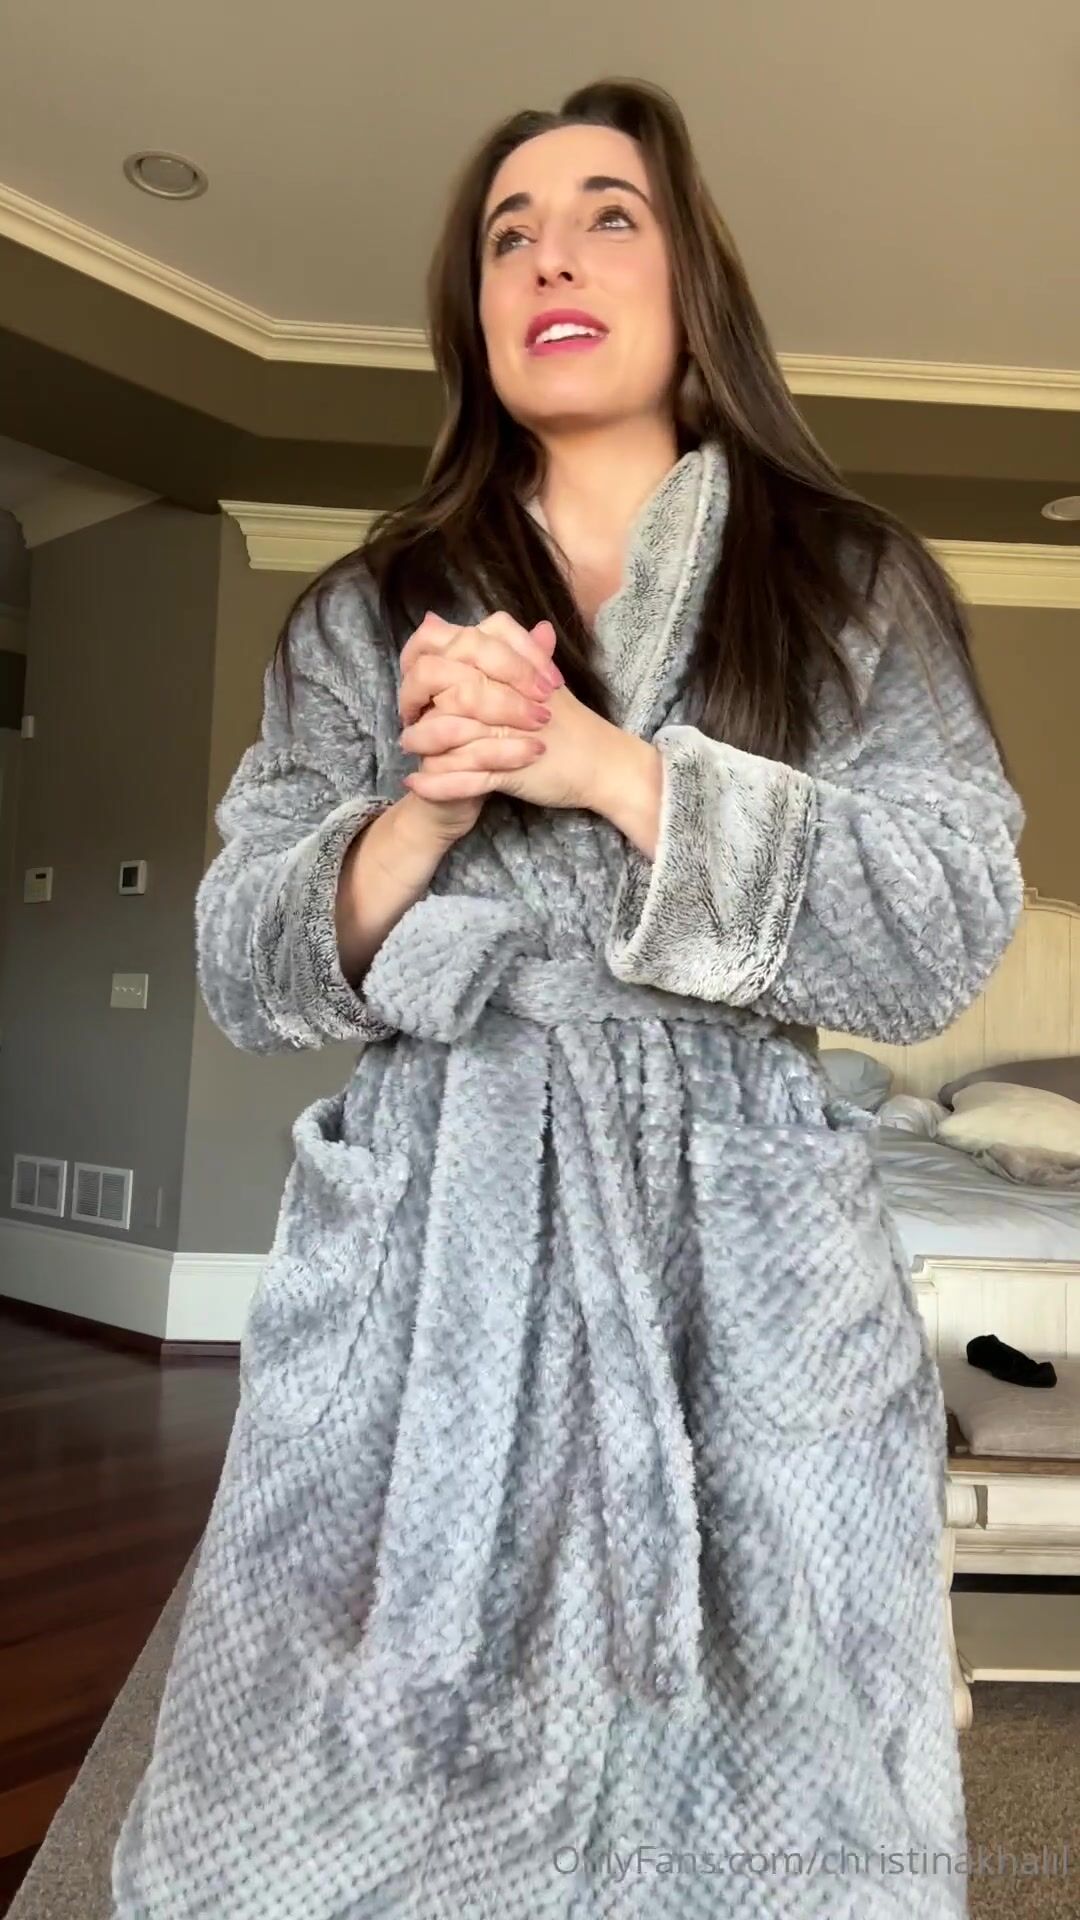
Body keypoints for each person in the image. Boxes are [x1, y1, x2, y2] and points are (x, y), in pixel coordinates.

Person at [111, 76, 1024, 1920]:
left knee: (774, 1782)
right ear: (475, 311)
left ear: (694, 281)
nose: (551, 255)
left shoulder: (844, 586)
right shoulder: (366, 613)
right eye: (507, 233)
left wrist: (615, 771)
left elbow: (943, 923)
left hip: (738, 1246)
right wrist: (423, 810)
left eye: (609, 214)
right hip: (442, 1219)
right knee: (322, 1783)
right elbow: (242, 963)